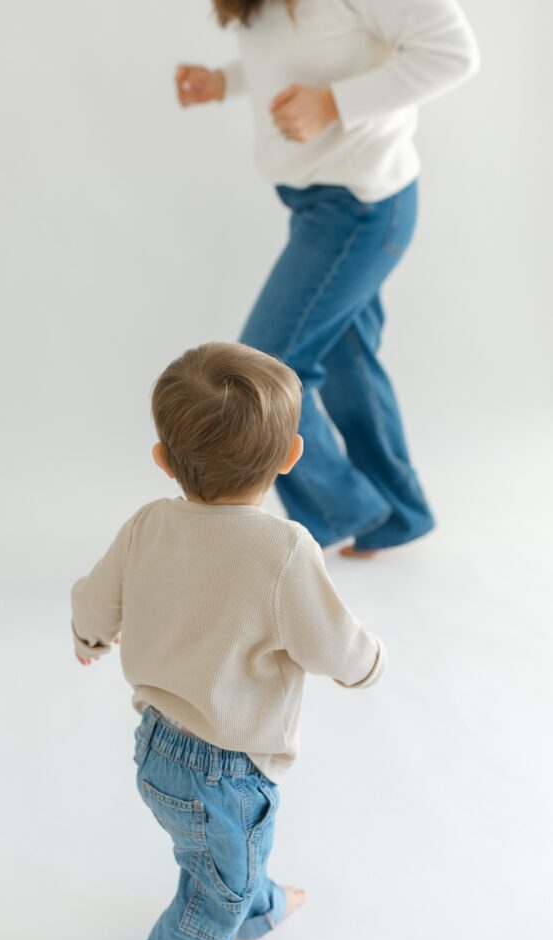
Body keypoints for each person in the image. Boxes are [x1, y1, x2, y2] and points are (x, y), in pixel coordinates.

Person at [70, 341, 386, 940]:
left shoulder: (148, 523)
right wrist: (366, 666)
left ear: (162, 459)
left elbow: (94, 599)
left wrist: (90, 637)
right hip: (225, 768)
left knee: (229, 854)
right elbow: (331, 642)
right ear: (291, 456)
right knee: (216, 885)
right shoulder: (281, 548)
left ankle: (261, 908)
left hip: (156, 747)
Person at [176, 0, 480, 558]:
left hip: (363, 205)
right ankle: (398, 514)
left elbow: (454, 53)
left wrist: (336, 105)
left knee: (262, 372)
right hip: (318, 203)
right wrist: (222, 82)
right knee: (348, 361)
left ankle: (347, 509)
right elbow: (295, 60)